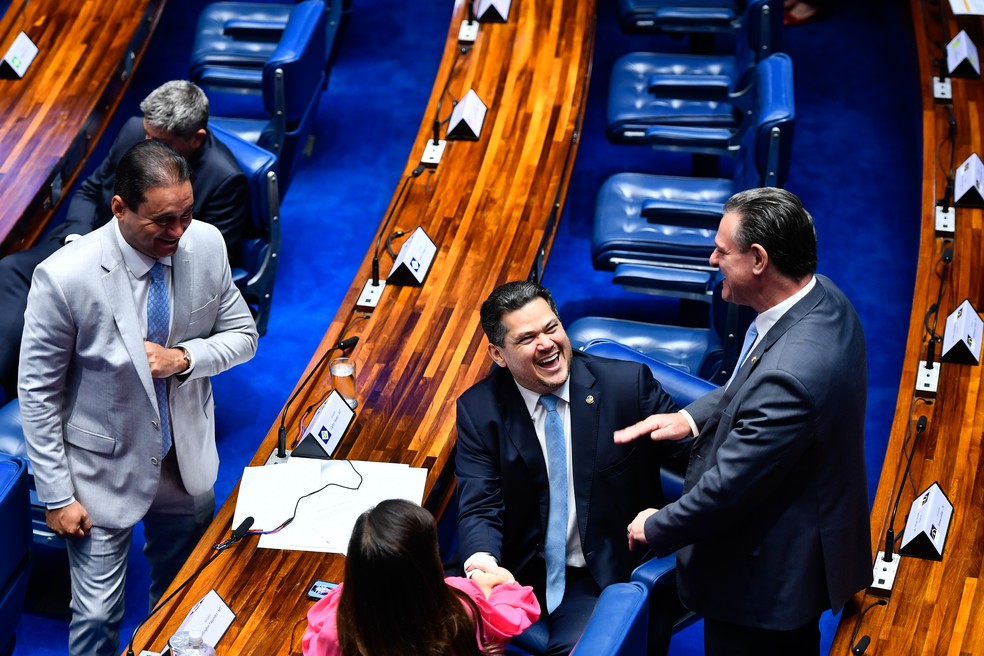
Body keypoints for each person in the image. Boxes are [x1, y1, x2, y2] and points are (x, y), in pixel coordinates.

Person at [18, 140, 258, 656]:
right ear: (120, 208)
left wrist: (185, 358)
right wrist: (56, 495)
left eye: (187, 214)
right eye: (163, 221)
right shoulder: (65, 277)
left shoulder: (207, 244)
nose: (178, 232)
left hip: (185, 461)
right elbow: (36, 392)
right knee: (99, 618)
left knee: (183, 603)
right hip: (99, 476)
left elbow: (244, 334)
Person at [618, 187, 871, 655]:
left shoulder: (790, 375)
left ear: (758, 259)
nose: (713, 259)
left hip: (767, 582)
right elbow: (751, 375)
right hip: (808, 519)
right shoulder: (821, 298)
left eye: (722, 250)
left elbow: (727, 491)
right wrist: (691, 420)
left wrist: (655, 526)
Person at [455, 280, 685, 655]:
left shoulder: (627, 386)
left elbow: (708, 462)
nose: (546, 344)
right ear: (498, 355)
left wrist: (675, 516)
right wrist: (483, 567)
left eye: (552, 328)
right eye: (527, 338)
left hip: (594, 575)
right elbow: (480, 503)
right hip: (516, 566)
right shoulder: (479, 410)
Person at [0, 79, 249, 399]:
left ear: (196, 140)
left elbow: (201, 262)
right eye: (146, 134)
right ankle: (12, 386)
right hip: (86, 241)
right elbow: (90, 191)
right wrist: (77, 239)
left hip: (144, 274)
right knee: (13, 271)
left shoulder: (224, 180)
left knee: (65, 311)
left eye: (158, 140)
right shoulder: (134, 131)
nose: (146, 144)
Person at [303, 499, 540, 656]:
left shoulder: (339, 632)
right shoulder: (462, 611)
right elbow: (514, 613)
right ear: (430, 565)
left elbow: (314, 638)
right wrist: (507, 584)